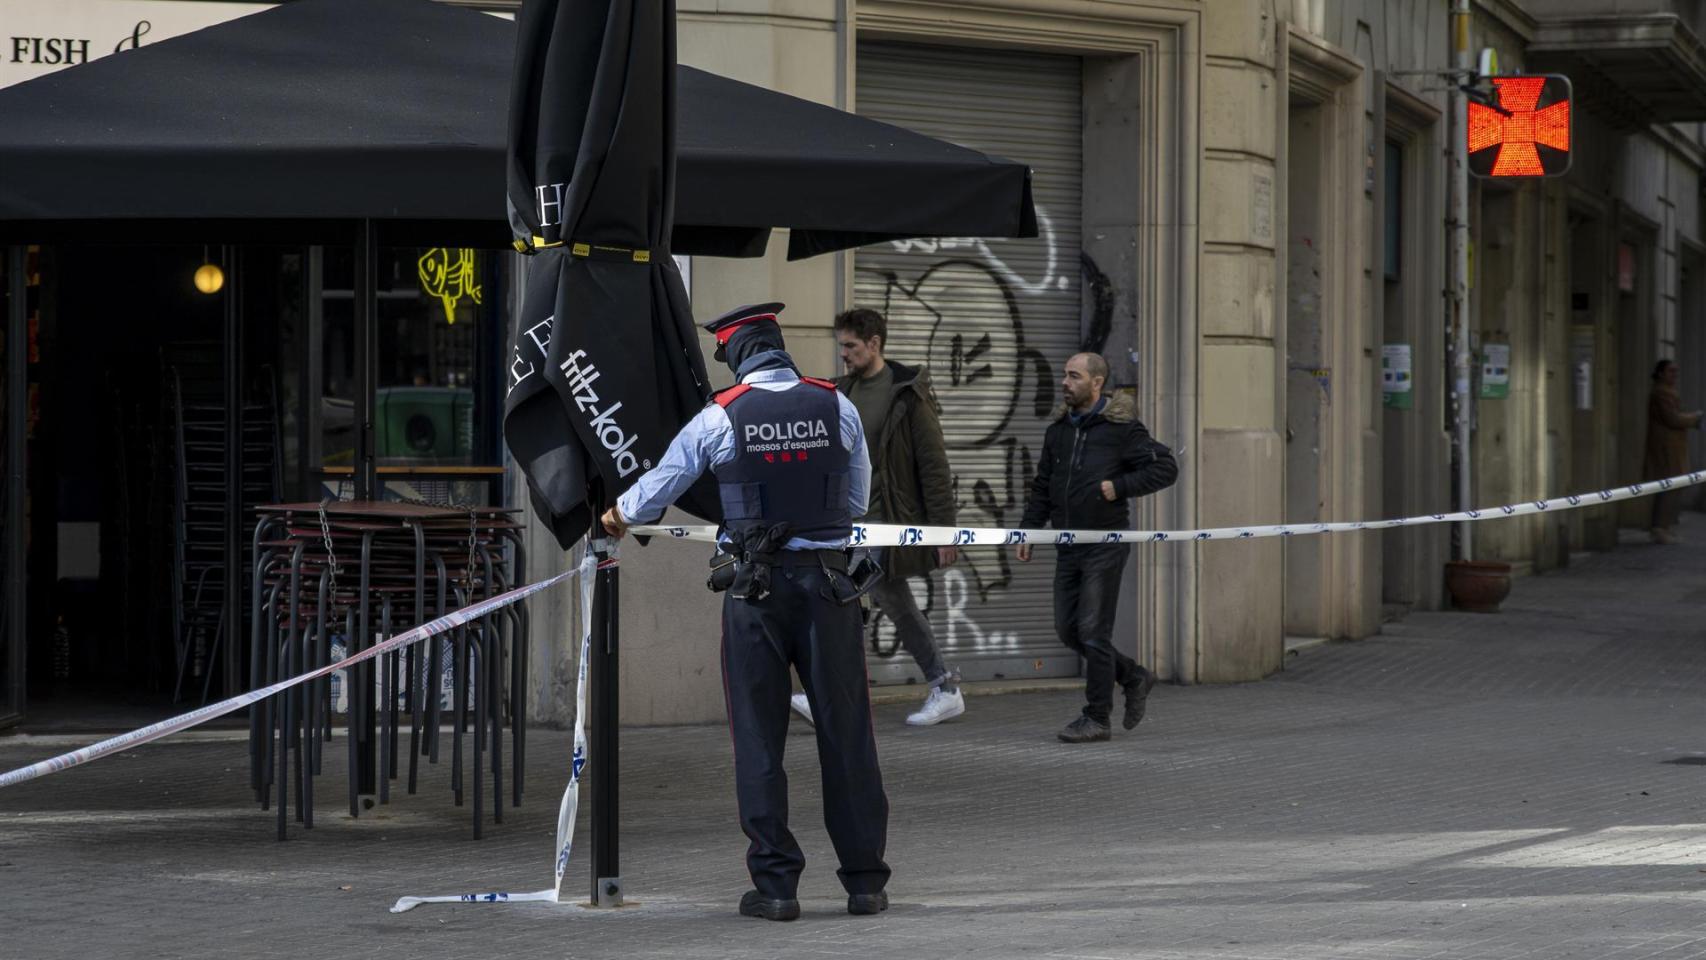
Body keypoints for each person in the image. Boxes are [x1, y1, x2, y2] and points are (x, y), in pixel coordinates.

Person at [599, 302, 890, 922]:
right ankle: (865, 882)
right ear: (779, 346)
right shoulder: (836, 404)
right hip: (829, 589)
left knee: (759, 740)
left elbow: (660, 487)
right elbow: (858, 499)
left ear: (734, 355)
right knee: (847, 735)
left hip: (755, 594)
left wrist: (619, 514)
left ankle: (777, 888)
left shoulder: (720, 415)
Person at [788, 308, 963, 728]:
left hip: (886, 520)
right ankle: (944, 687)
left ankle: (828, 694)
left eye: (850, 346)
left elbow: (934, 466)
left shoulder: (906, 395)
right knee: (895, 604)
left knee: (841, 599)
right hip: (845, 522)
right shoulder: (840, 391)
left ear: (874, 343)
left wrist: (944, 532)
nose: (843, 354)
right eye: (842, 346)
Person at [1016, 352, 1177, 744]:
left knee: (1092, 630)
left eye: (1074, 376)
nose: (1065, 382)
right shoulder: (1058, 431)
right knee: (1068, 630)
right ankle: (1133, 676)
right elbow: (1043, 485)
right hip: (1068, 544)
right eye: (1065, 375)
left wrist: (1119, 487)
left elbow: (1165, 467)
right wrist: (1029, 532)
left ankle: (1097, 717)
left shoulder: (1122, 429)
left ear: (1097, 383)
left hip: (1105, 544)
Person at [1643, 359, 1703, 544]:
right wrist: (1695, 418)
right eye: (1671, 371)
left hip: (1673, 447)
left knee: (1673, 487)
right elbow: (1672, 418)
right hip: (1665, 448)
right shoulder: (1661, 393)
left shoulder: (1667, 391)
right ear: (1660, 373)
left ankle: (1664, 527)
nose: (1674, 375)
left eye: (1676, 372)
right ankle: (1659, 528)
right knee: (1668, 487)